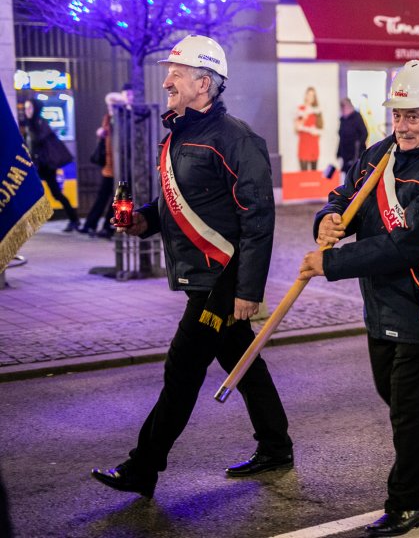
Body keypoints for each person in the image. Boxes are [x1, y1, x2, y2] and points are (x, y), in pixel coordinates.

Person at [90, 34, 293, 498]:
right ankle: (276, 446)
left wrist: (248, 291)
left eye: (176, 74)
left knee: (181, 370)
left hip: (220, 280)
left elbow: (258, 218)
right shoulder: (179, 134)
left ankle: (143, 467)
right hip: (199, 274)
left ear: (204, 83)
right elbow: (181, 205)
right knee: (242, 361)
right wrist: (143, 220)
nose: (167, 82)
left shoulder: (237, 139)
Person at [300, 60, 419, 537]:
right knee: (399, 398)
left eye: (413, 116)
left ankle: (407, 504)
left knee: (410, 415)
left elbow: (410, 243)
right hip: (380, 306)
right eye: (398, 116)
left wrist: (332, 264)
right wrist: (328, 218)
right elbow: (346, 196)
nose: (403, 126)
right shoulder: (378, 154)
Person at [78, 86, 133, 238]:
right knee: (103, 196)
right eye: (108, 105)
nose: (110, 108)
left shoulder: (124, 118)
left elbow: (125, 142)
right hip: (109, 165)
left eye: (112, 105)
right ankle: (92, 224)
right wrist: (100, 134)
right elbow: (107, 140)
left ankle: (110, 227)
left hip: (122, 166)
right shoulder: (108, 119)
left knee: (119, 197)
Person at [22, 97, 79, 232]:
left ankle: (74, 219)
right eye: (25, 108)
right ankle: (27, 222)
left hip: (46, 165)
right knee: (28, 192)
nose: (27, 111)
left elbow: (39, 140)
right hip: (35, 165)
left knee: (56, 194)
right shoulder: (29, 124)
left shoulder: (41, 123)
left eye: (30, 107)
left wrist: (30, 129)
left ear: (36, 109)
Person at [337, 97, 368, 177]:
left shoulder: (357, 117)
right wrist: (338, 152)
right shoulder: (343, 119)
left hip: (356, 153)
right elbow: (341, 137)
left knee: (356, 175)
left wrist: (358, 144)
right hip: (345, 154)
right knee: (347, 176)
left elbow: (364, 133)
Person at [296, 86, 322, 171]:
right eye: (309, 95)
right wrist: (306, 114)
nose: (310, 97)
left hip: (314, 145)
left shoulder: (317, 111)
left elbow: (321, 129)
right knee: (304, 175)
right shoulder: (301, 109)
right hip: (303, 146)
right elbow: (297, 127)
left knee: (314, 175)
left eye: (312, 95)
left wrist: (315, 131)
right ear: (305, 95)